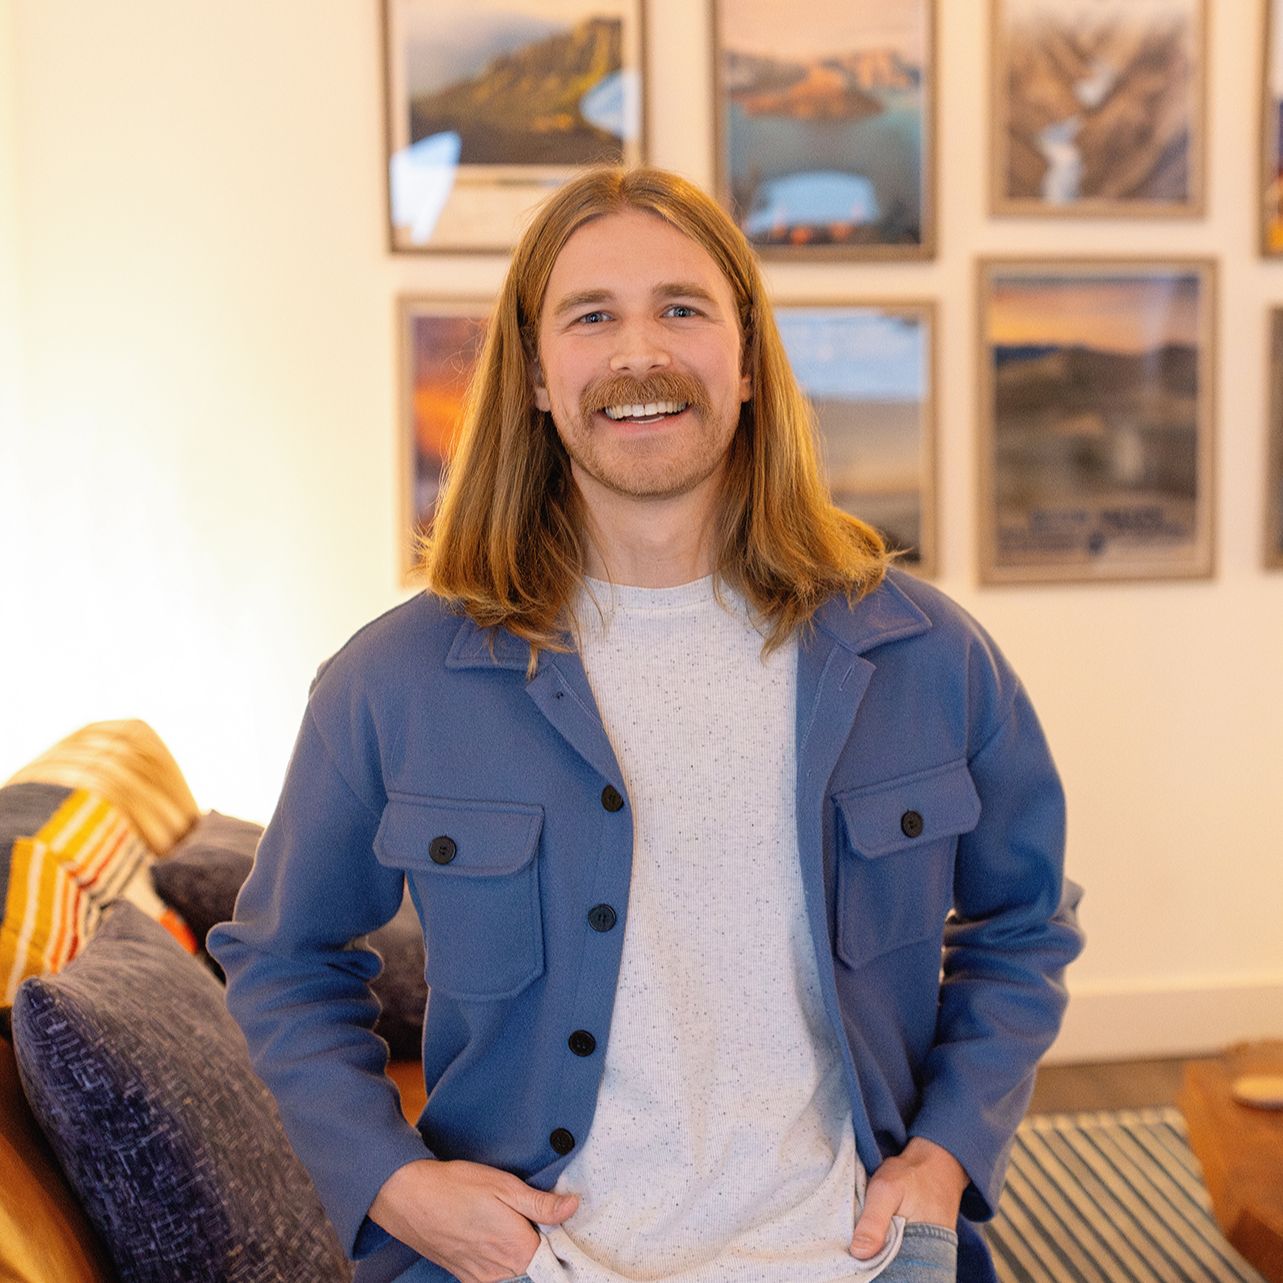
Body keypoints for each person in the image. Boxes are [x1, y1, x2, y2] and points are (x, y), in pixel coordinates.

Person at [209, 166, 1084, 1283]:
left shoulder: (924, 654)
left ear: (747, 360)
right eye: (591, 316)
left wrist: (947, 1151)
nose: (638, 353)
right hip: (523, 1266)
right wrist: (392, 1182)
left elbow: (1023, 922)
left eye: (680, 307)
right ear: (535, 374)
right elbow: (280, 959)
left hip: (860, 1257)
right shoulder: (393, 680)